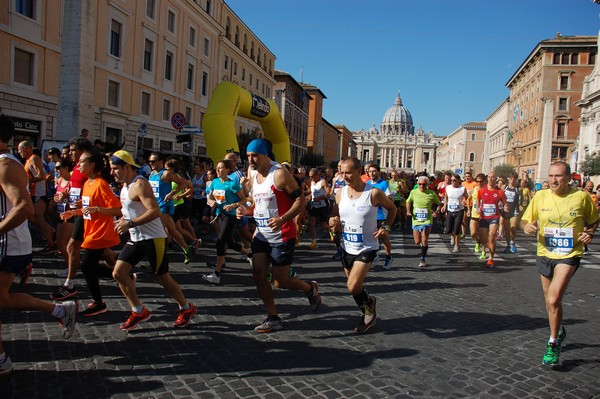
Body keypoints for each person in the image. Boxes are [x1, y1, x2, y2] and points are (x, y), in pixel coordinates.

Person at [0, 115, 76, 376]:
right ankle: (59, 309)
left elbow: (23, 207)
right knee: (3, 299)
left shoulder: (6, 166)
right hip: (9, 241)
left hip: (7, 243)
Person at [521, 161, 599, 365]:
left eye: (558, 176)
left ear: (569, 178)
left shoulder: (581, 197)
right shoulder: (540, 196)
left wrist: (589, 233)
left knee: (554, 298)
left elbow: (593, 220)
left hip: (569, 253)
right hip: (545, 252)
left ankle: (553, 343)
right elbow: (525, 220)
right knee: (549, 300)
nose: (553, 180)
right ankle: (560, 330)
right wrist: (527, 226)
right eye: (551, 176)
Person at [110, 151, 197, 331]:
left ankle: (186, 308)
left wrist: (130, 223)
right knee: (118, 273)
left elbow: (154, 212)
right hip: (136, 238)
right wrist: (121, 220)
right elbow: (130, 210)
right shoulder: (125, 186)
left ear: (127, 167)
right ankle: (138, 311)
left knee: (162, 277)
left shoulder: (140, 184)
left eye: (116, 169)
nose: (113, 173)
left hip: (153, 238)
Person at [245, 139, 321, 333]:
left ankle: (308, 288)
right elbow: (257, 203)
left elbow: (300, 200)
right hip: (261, 235)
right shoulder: (252, 175)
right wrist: (245, 210)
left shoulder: (279, 174)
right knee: (258, 275)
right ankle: (273, 317)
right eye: (248, 156)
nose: (250, 160)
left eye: (254, 155)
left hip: (282, 235)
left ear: (265, 155)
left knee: (281, 281)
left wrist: (283, 218)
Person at [328, 157, 396, 333]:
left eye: (348, 172)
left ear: (360, 172)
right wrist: (333, 221)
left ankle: (367, 313)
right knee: (355, 287)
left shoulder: (373, 193)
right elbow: (335, 214)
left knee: (352, 285)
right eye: (342, 173)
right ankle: (368, 305)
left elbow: (393, 209)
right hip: (347, 246)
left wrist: (386, 227)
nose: (345, 176)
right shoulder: (340, 193)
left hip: (367, 247)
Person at [59, 150, 122, 316]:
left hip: (100, 233)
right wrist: (73, 212)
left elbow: (117, 208)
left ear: (92, 165)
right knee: (89, 266)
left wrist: (97, 208)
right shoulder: (87, 183)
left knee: (87, 266)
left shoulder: (101, 184)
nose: (78, 165)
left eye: (81, 162)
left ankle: (99, 303)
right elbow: (88, 211)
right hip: (90, 231)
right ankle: (122, 275)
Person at [202, 159, 252, 285]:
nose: (218, 170)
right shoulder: (215, 181)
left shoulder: (232, 184)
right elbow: (211, 196)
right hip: (221, 215)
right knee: (229, 242)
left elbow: (243, 200)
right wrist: (211, 201)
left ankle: (216, 274)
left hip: (230, 216)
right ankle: (250, 255)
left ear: (228, 170)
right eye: (217, 168)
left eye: (221, 168)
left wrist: (233, 205)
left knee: (220, 242)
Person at [148, 152, 193, 264]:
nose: (151, 163)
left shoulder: (167, 174)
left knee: (158, 232)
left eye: (153, 161)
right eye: (150, 161)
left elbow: (184, 184)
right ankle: (187, 249)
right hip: (155, 206)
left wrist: (172, 193)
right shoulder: (152, 174)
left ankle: (157, 261)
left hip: (165, 206)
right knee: (172, 230)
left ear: (160, 162)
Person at [17, 141, 56, 254]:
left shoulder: (34, 158)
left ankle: (52, 241)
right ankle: (52, 236)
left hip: (39, 193)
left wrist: (26, 181)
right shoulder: (29, 160)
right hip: (34, 193)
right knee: (35, 219)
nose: (19, 153)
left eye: (20, 151)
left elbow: (42, 176)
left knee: (38, 219)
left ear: (26, 149)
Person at [406, 176, 442, 268]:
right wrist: (408, 211)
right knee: (417, 242)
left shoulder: (431, 193)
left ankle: (422, 258)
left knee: (425, 239)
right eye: (420, 184)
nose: (422, 186)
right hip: (416, 219)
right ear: (417, 184)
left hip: (427, 219)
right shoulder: (413, 192)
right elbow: (408, 201)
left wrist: (436, 211)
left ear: (427, 184)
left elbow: (439, 203)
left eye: (424, 184)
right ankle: (422, 245)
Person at [477, 171, 509, 268]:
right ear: (487, 178)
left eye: (493, 177)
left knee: (491, 236)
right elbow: (478, 200)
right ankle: (485, 247)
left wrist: (506, 207)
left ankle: (491, 258)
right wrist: (478, 208)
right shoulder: (481, 190)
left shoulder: (500, 192)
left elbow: (505, 202)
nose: (491, 179)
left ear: (496, 179)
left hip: (494, 217)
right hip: (483, 217)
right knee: (483, 238)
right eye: (489, 177)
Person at [365, 164, 394, 269]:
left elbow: (391, 199)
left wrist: (380, 201)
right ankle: (374, 256)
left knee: (384, 237)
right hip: (370, 216)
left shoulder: (383, 184)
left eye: (374, 171)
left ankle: (388, 257)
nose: (371, 173)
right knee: (371, 237)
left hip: (382, 216)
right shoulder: (366, 184)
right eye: (369, 171)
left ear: (378, 172)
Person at [442, 174, 468, 253]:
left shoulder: (462, 189)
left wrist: (464, 202)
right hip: (450, 210)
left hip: (459, 210)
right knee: (448, 230)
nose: (452, 182)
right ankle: (452, 236)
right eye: (451, 180)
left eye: (454, 180)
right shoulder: (448, 188)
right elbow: (446, 197)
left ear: (458, 181)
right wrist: (444, 206)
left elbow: (466, 197)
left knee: (457, 229)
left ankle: (457, 245)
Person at [307, 168, 330, 250]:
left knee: (324, 225)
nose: (311, 178)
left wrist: (320, 197)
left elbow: (328, 193)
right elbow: (312, 192)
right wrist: (308, 196)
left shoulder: (323, 182)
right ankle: (314, 242)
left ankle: (333, 230)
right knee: (312, 223)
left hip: (323, 205)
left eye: (312, 176)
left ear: (317, 175)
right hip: (314, 205)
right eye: (310, 176)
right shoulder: (312, 182)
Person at [502, 172, 521, 254]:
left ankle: (513, 242)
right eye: (511, 178)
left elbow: (521, 199)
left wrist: (521, 205)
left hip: (514, 210)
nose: (512, 180)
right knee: (506, 230)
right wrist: (502, 206)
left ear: (516, 180)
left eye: (514, 179)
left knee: (512, 228)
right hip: (506, 211)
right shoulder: (504, 187)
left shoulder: (518, 189)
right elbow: (500, 198)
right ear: (508, 179)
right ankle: (507, 245)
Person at [467, 174, 486, 255]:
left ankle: (483, 251)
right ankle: (478, 242)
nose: (479, 183)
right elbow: (468, 199)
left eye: (481, 181)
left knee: (484, 235)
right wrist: (468, 209)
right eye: (477, 181)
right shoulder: (474, 189)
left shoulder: (487, 190)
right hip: (474, 214)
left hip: (484, 215)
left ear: (484, 181)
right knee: (473, 233)